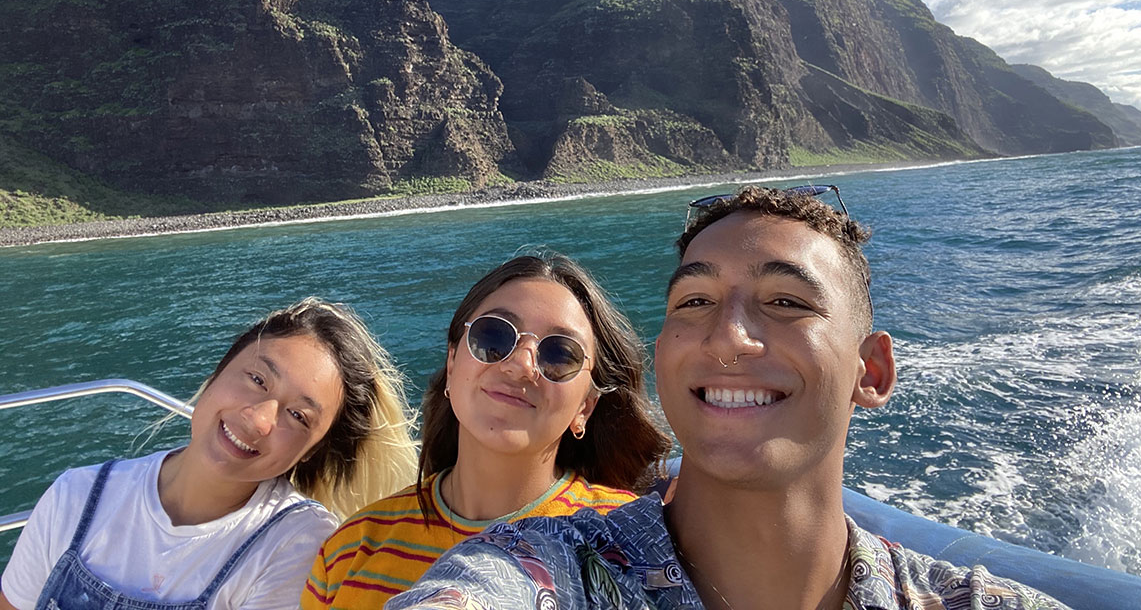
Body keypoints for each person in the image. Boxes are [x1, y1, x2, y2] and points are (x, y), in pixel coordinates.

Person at [385, 186, 1072, 610]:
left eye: (784, 301)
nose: (730, 336)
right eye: (695, 301)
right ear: (660, 360)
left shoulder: (966, 602)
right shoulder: (538, 570)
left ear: (873, 371)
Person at [303, 253, 672, 610]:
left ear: (585, 407)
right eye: (494, 336)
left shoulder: (634, 540)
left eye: (560, 354)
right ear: (451, 363)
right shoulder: (349, 551)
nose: (521, 366)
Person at [1, 297, 419, 610]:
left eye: (297, 415)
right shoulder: (77, 495)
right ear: (218, 371)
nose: (258, 419)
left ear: (311, 452)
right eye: (257, 379)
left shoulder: (294, 544)